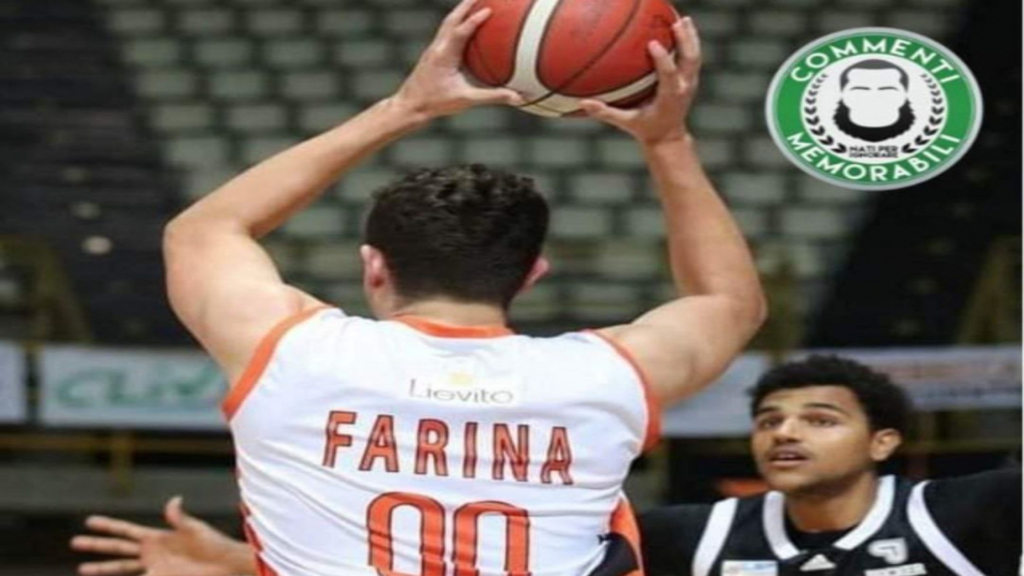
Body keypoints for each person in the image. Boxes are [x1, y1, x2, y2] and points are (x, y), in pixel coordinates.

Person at [72, 0, 766, 573]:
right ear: (532, 273)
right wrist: (667, 143)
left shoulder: (294, 353)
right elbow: (730, 302)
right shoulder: (606, 373)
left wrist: (405, 107)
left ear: (373, 266)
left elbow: (203, 231)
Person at [73, 356, 1022, 576]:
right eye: (769, 419)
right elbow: (476, 566)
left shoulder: (965, 516)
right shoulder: (695, 538)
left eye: (819, 419)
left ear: (883, 444)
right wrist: (244, 564)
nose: (785, 434)